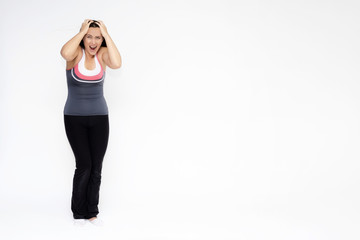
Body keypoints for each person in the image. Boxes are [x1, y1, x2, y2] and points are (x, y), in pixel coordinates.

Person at [60, 19, 122, 226]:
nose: (93, 41)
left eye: (97, 37)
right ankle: (78, 213)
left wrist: (105, 31)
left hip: (100, 118)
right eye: (89, 36)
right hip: (74, 118)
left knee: (96, 167)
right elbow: (64, 53)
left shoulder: (103, 56)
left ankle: (91, 212)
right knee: (84, 165)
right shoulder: (75, 55)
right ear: (83, 37)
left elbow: (117, 63)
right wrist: (83, 30)